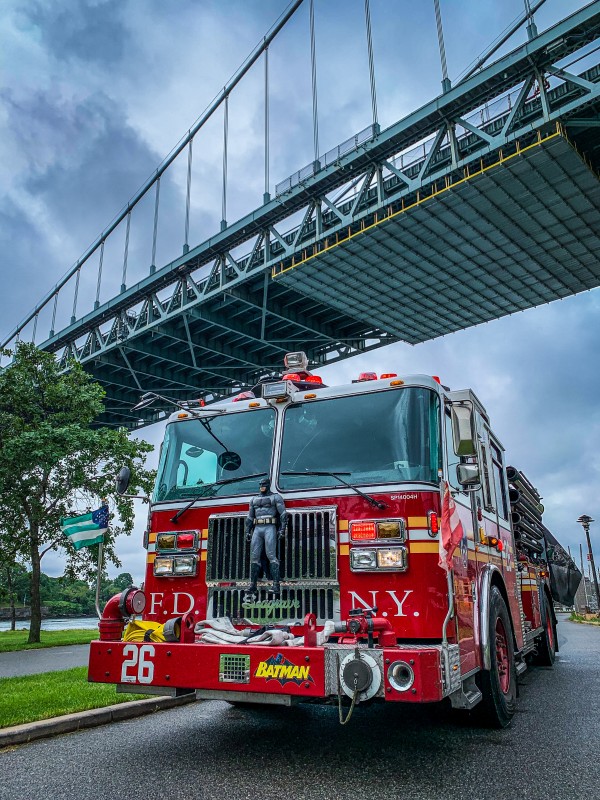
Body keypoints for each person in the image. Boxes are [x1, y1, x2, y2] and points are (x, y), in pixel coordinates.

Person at [244, 477, 287, 601]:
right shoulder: (253, 500)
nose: (262, 485)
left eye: (264, 484)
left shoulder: (276, 497)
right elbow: (250, 517)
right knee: (255, 556)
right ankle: (252, 585)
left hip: (270, 526)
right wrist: (247, 531)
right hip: (257, 528)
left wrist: (282, 529)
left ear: (268, 485)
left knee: (271, 555)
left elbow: (283, 513)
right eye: (260, 484)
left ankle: (276, 584)